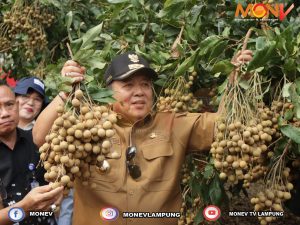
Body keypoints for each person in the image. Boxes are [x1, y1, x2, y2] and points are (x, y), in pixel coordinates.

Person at [33, 50, 253, 225]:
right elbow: (41, 137)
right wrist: (65, 91)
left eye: (145, 85)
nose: (139, 92)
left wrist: (237, 81)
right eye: (128, 85)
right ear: (108, 92)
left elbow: (224, 125)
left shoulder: (174, 124)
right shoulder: (89, 124)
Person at [0, 81, 63, 225]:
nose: (4, 114)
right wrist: (25, 207)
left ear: (16, 105)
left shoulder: (38, 141)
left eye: (9, 105)